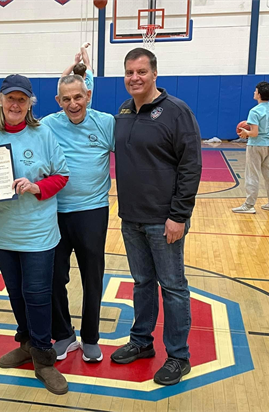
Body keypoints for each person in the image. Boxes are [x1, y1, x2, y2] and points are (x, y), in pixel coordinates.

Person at [0, 75, 115, 363]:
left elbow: (131, 153)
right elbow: (17, 126)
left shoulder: (107, 123)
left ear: (88, 96)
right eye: (66, 98)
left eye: (78, 97)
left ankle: (91, 337)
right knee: (54, 278)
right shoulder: (48, 124)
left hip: (91, 210)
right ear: (58, 101)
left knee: (92, 276)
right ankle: (64, 333)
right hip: (54, 212)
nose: (73, 103)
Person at [109, 48, 202, 386]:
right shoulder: (122, 111)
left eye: (141, 72)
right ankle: (141, 342)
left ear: (154, 74)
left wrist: (178, 215)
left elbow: (191, 166)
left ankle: (179, 356)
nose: (135, 78)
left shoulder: (177, 112)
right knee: (142, 284)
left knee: (173, 288)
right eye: (129, 72)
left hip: (164, 220)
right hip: (130, 218)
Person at [0, 74, 70, 395]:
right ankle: (27, 343)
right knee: (15, 291)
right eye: (10, 98)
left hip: (37, 231)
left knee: (37, 293)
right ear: (0, 100)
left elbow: (62, 175)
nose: (15, 104)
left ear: (30, 102)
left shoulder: (44, 134)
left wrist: (35, 187)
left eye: (22, 99)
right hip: (2, 230)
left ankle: (44, 358)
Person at [232, 81, 269, 214]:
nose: (254, 93)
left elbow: (254, 133)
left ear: (259, 94)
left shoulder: (254, 111)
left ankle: (249, 205)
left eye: (255, 91)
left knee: (252, 175)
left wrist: (245, 133)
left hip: (256, 146)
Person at [62, 42, 94, 108]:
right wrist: (83, 48)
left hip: (72, 111)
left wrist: (75, 62)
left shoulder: (71, 85)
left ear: (74, 74)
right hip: (86, 112)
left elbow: (64, 75)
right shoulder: (89, 80)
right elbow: (87, 62)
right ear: (85, 73)